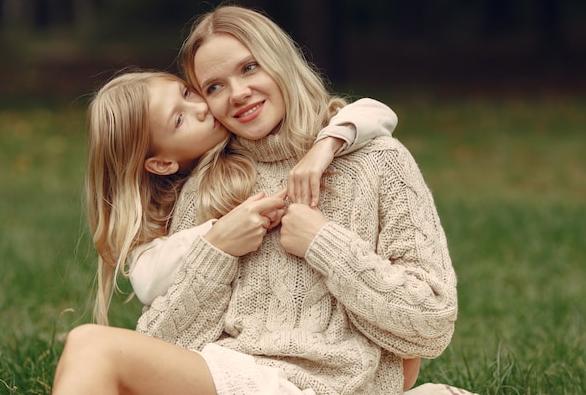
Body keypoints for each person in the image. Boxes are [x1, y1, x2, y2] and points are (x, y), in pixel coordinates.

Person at [134, 5, 457, 394]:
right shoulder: (209, 184)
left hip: (337, 386)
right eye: (214, 87)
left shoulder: (378, 160)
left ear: (280, 61)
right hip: (234, 379)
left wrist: (324, 243)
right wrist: (217, 250)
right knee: (98, 350)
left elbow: (432, 323)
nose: (238, 94)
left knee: (93, 348)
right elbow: (159, 347)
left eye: (250, 68)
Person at [52, 68, 403, 393]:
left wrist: (325, 147)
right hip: (236, 365)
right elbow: (147, 279)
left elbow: (375, 111)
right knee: (88, 347)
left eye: (188, 94)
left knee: (90, 345)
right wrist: (217, 237)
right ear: (161, 163)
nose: (201, 109)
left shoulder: (261, 133)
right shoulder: (186, 200)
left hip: (296, 374)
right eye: (179, 119)